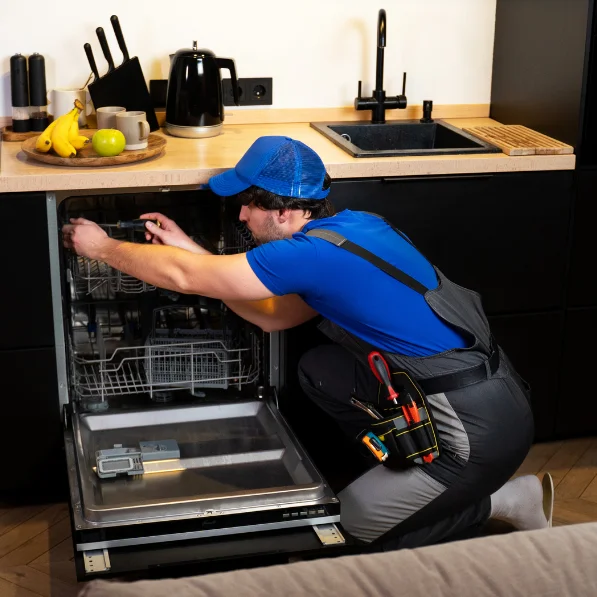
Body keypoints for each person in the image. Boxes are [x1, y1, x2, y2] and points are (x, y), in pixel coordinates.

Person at [63, 135, 554, 549]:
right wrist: (190, 249)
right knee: (320, 370)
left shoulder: (307, 257)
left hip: (472, 432)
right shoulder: (356, 227)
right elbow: (275, 317)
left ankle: (504, 500)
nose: (241, 215)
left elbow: (185, 278)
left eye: (249, 204)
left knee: (348, 531)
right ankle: (406, 478)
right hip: (497, 398)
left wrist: (102, 247)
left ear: (283, 210)